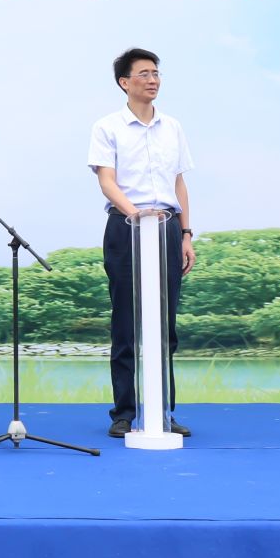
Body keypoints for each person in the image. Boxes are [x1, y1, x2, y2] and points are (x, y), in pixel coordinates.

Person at [89, 48, 195, 439]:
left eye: (156, 73)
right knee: (126, 321)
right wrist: (135, 214)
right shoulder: (107, 127)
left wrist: (186, 233)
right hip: (125, 226)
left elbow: (179, 182)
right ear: (124, 82)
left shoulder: (173, 127)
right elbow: (106, 180)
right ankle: (124, 412)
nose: (153, 80)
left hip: (166, 227)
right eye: (144, 74)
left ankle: (163, 411)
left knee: (166, 323)